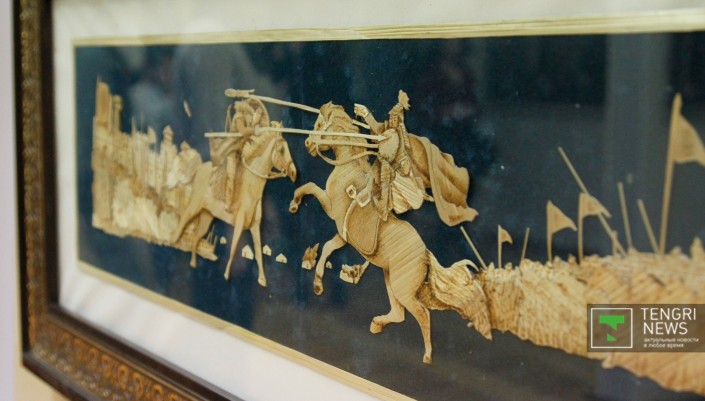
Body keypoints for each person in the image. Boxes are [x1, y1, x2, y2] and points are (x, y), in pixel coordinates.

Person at [354, 90, 424, 221]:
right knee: (370, 176)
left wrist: (395, 161)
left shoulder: (399, 134)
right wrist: (365, 113)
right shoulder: (384, 128)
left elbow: (396, 152)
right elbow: (374, 126)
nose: (392, 120)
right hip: (383, 162)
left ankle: (383, 208)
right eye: (391, 117)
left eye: (395, 118)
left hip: (396, 166)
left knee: (385, 179)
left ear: (398, 120)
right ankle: (370, 198)